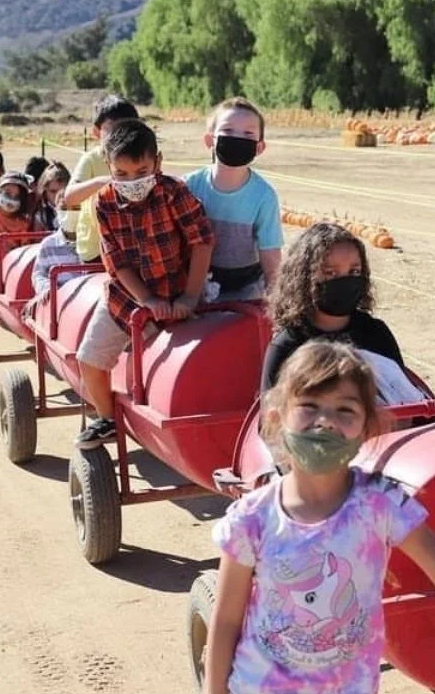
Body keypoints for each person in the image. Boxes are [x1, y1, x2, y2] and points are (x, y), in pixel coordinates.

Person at [203, 340, 435, 694]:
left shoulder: (379, 504)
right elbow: (226, 622)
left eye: (345, 410)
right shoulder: (251, 519)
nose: (326, 422)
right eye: (309, 406)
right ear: (277, 417)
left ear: (367, 429)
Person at [74, 117, 214, 448]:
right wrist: (146, 300)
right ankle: (107, 419)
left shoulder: (173, 192)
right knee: (89, 359)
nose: (132, 182)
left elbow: (201, 241)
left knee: (155, 362)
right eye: (121, 174)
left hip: (178, 291)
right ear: (107, 166)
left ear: (157, 163)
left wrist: (191, 297)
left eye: (141, 172)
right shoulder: (105, 202)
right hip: (127, 297)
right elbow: (116, 262)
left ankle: (158, 428)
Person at [260, 223, 410, 400]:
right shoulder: (287, 345)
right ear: (304, 278)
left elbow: (405, 398)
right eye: (330, 273)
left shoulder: (376, 334)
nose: (344, 281)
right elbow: (270, 420)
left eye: (354, 271)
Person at [184, 97, 284, 302]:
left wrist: (276, 298)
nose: (237, 138)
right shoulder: (189, 186)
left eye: (248, 134)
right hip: (195, 281)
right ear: (209, 141)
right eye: (227, 131)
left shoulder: (264, 196)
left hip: (246, 285)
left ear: (259, 147)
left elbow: (270, 254)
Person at [63, 95, 139, 263]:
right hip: (95, 248)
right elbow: (69, 196)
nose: (120, 135)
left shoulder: (139, 159)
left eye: (126, 128)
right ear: (96, 132)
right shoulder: (91, 159)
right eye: (112, 128)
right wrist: (101, 182)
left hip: (132, 246)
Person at [31, 203, 81, 300]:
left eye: (76, 208)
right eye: (64, 208)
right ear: (56, 212)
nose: (69, 214)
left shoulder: (93, 243)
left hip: (86, 299)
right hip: (59, 301)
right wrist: (48, 288)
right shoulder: (48, 245)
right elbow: (39, 274)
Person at [32, 162, 71, 232]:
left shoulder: (76, 210)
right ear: (45, 191)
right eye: (53, 191)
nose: (58, 196)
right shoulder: (41, 215)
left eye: (63, 191)